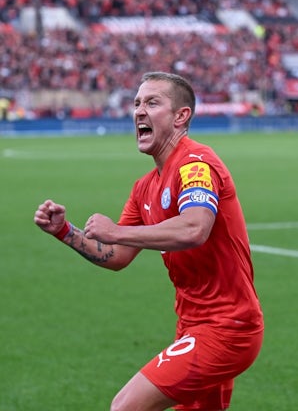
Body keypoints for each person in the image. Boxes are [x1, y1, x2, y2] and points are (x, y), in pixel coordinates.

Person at [33, 71, 264, 411]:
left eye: (152, 103)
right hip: (193, 325)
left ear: (180, 116)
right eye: (137, 103)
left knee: (126, 406)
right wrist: (65, 232)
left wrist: (117, 230)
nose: (139, 111)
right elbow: (115, 255)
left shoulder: (196, 163)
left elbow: (194, 229)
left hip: (227, 327)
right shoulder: (144, 187)